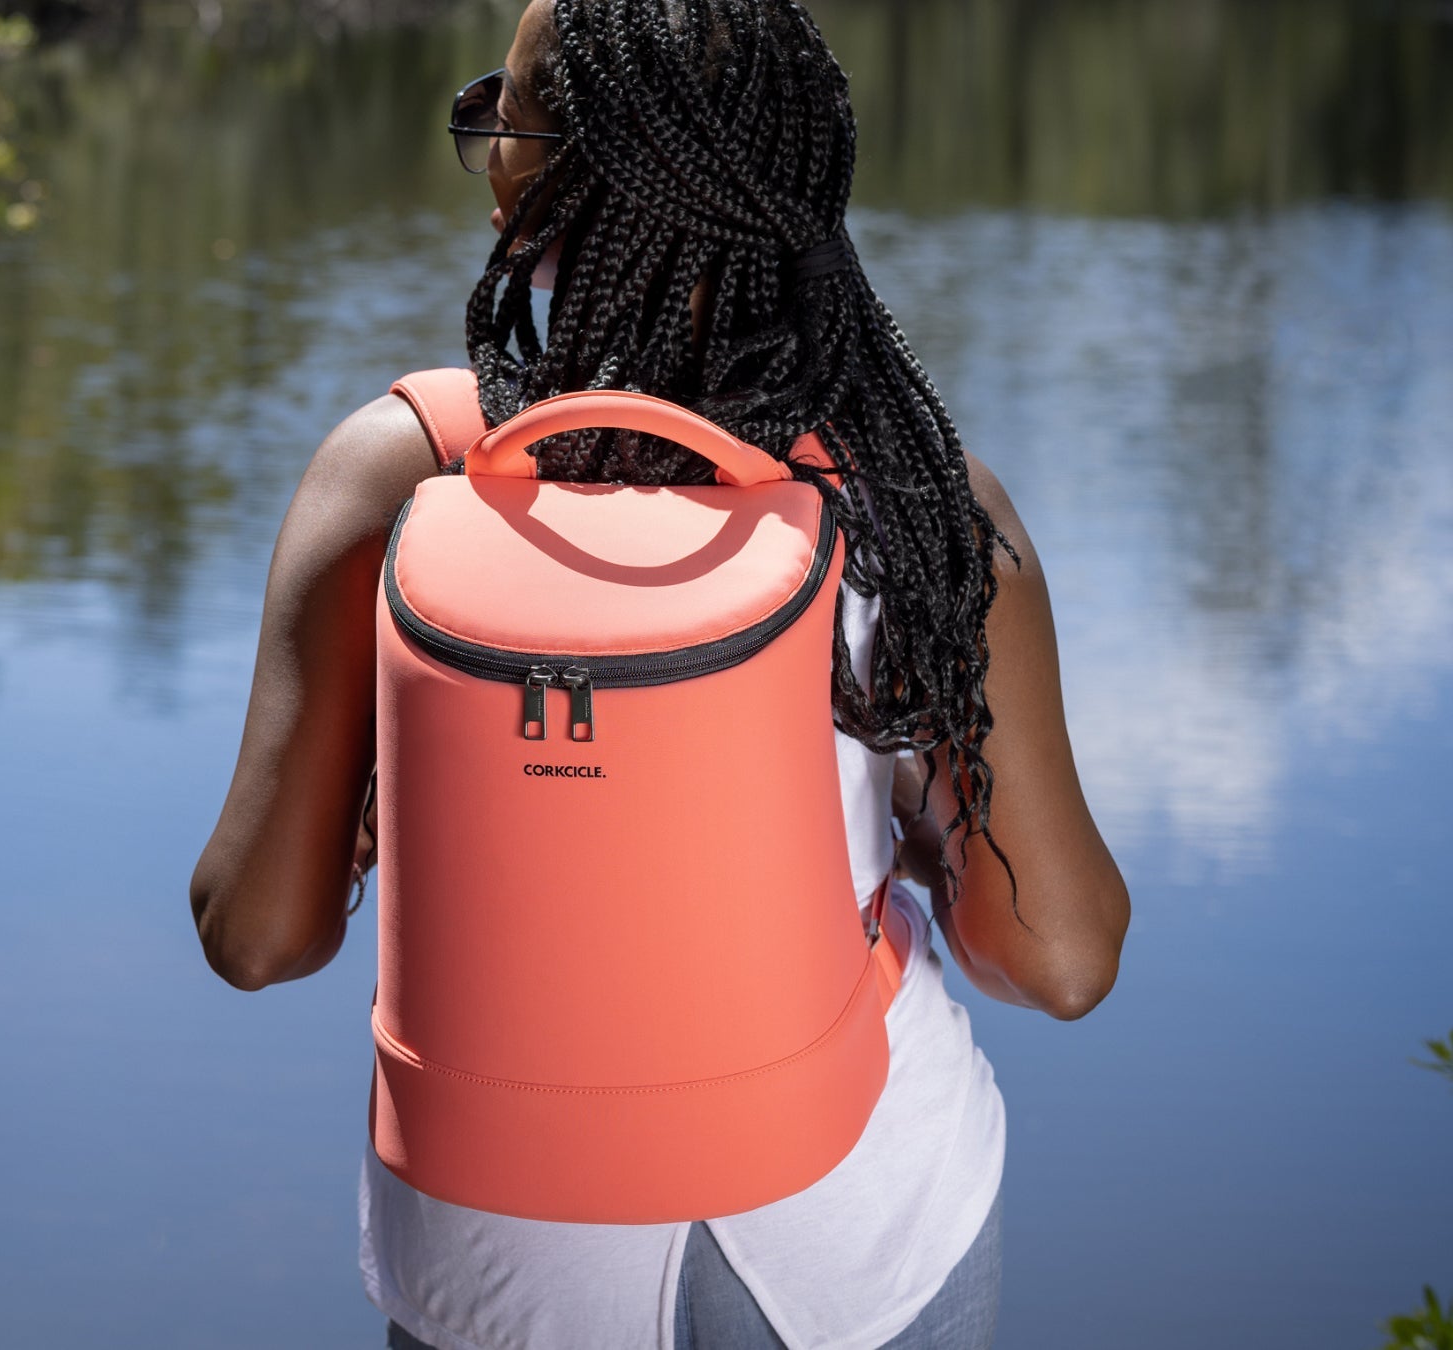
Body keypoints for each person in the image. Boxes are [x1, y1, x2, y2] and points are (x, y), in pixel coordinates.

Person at [187, 0, 1131, 1344]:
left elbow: (257, 935)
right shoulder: (915, 499)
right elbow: (1061, 958)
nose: (485, 141)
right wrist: (929, 828)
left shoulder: (394, 475)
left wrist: (385, 801)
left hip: (502, 1255)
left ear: (531, 180)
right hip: (859, 1225)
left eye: (496, 114)